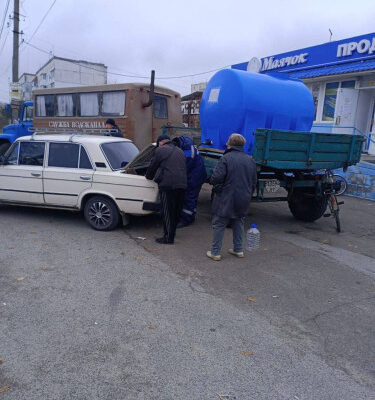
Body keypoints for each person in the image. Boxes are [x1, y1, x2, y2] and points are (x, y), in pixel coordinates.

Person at [207, 133, 257, 261]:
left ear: (230, 144)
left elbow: (216, 178)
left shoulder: (226, 158)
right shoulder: (250, 159)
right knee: (238, 223)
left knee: (219, 224)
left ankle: (215, 252)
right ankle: (238, 250)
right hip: (243, 197)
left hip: (226, 197)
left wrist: (213, 178)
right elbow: (253, 181)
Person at [146, 134, 187, 244]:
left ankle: (168, 238)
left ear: (160, 142)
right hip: (182, 185)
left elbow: (153, 166)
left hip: (168, 185)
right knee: (176, 212)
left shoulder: (160, 150)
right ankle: (172, 233)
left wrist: (148, 177)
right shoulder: (180, 151)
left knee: (167, 212)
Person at [172, 136, 207, 228]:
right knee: (191, 198)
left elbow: (184, 168)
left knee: (189, 197)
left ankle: (186, 219)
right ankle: (191, 215)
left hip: (194, 178)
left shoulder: (188, 154)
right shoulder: (188, 147)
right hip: (196, 176)